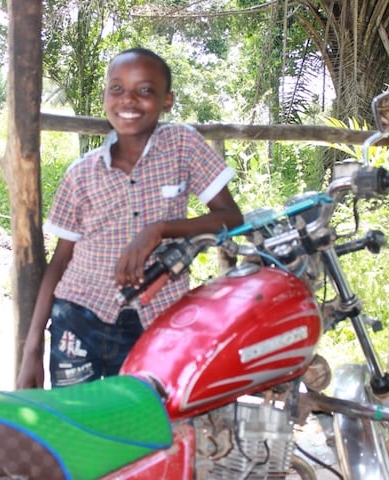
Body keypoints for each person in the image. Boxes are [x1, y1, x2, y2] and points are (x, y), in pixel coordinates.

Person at [16, 47, 243, 389]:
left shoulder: (182, 145)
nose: (129, 100)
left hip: (156, 319)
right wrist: (32, 349)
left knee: (143, 428)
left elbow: (231, 217)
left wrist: (161, 229)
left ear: (167, 100)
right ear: (106, 96)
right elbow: (61, 260)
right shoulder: (82, 173)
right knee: (79, 427)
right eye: (117, 88)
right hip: (79, 319)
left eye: (145, 90)